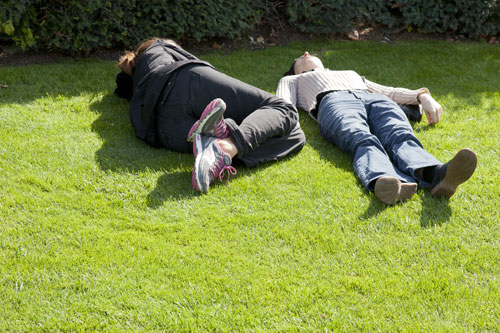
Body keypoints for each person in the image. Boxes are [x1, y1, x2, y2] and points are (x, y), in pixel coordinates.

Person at [276, 52, 477, 205]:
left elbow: (387, 91)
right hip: (332, 102)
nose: (305, 54)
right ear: (294, 70)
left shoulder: (350, 73)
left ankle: (437, 175)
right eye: (299, 59)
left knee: (399, 134)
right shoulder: (293, 79)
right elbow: (283, 104)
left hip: (374, 98)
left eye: (308, 54)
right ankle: (385, 179)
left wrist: (422, 96)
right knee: (361, 138)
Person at [114, 38, 305, 193]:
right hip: (185, 83)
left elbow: (121, 83)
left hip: (162, 130)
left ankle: (218, 147)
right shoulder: (159, 45)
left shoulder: (137, 84)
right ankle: (227, 146)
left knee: (296, 136)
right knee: (284, 110)